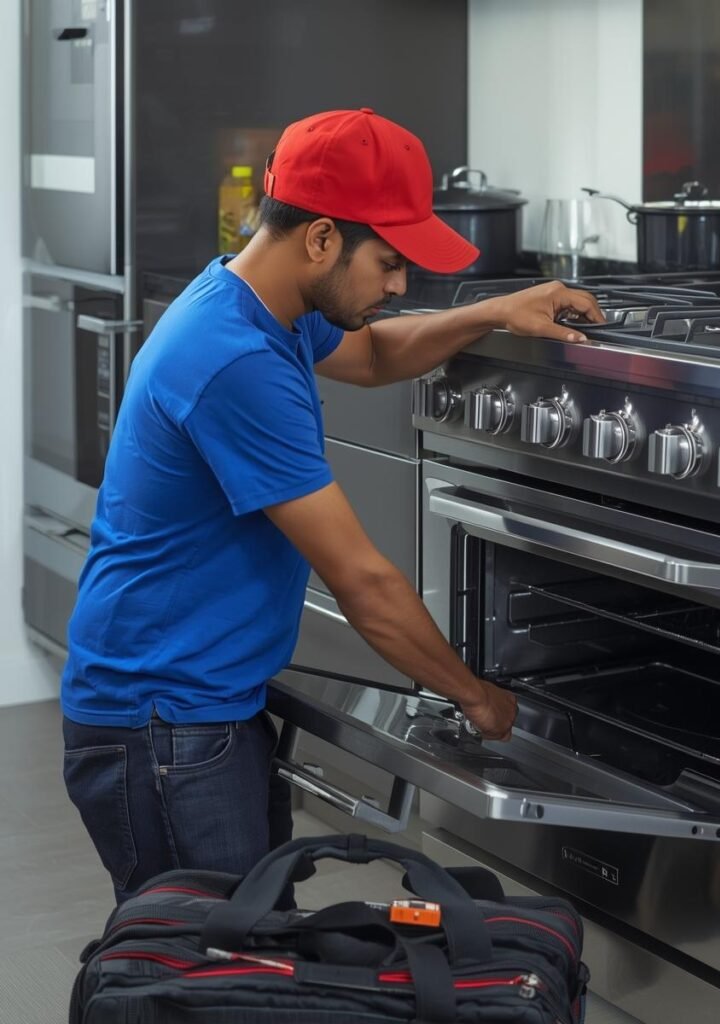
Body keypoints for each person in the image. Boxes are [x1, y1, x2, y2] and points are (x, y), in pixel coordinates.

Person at [60, 108, 604, 902]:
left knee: (243, 949)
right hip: (163, 722)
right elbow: (365, 584)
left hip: (198, 700)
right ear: (320, 239)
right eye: (388, 261)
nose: (397, 285)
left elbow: (378, 352)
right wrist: (475, 697)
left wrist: (492, 311)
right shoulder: (235, 358)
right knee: (209, 974)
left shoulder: (253, 301)